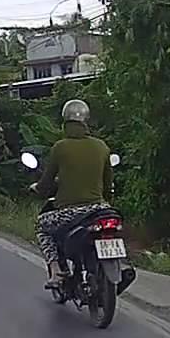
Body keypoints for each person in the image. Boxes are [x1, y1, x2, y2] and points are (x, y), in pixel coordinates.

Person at [31, 99, 113, 289]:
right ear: (87, 121)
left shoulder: (60, 147)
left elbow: (46, 182)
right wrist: (105, 201)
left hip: (71, 212)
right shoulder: (102, 146)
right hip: (100, 209)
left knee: (42, 227)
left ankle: (56, 272)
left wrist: (37, 189)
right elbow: (108, 184)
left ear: (65, 121)